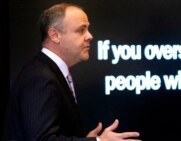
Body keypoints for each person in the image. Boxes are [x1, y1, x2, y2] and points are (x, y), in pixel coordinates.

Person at [3, 3, 141, 141]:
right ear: (55, 35)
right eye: (81, 30)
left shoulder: (49, 72)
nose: (90, 36)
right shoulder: (40, 77)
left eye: (88, 29)